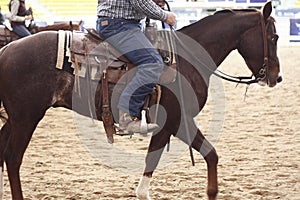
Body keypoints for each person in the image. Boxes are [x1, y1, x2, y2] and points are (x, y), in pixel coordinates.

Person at [97, 0, 176, 134]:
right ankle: (126, 117)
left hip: (120, 23)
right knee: (153, 64)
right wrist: (164, 16)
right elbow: (140, 2)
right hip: (119, 25)